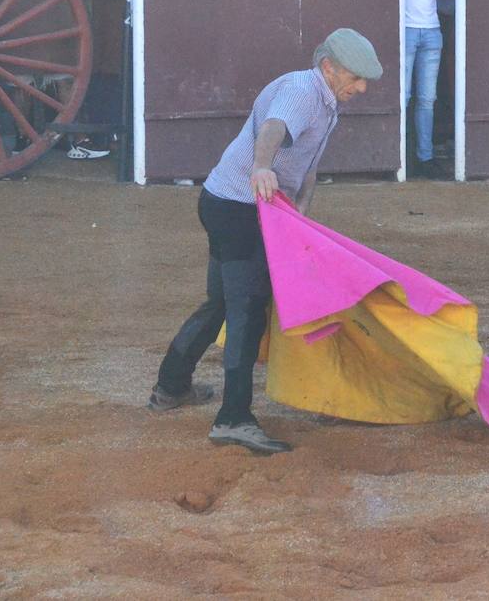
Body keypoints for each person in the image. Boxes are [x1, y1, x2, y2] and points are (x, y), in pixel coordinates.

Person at [149, 28, 383, 455]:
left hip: (230, 203)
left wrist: (299, 218)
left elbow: (308, 166)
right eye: (355, 77)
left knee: (221, 304)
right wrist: (261, 167)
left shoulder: (327, 100)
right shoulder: (303, 90)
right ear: (328, 67)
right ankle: (233, 419)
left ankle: (170, 387)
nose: (362, 87)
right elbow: (273, 130)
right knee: (246, 311)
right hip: (241, 208)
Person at [376, 0, 452, 177]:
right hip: (405, 27)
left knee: (426, 98)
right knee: (404, 95)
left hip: (431, 27)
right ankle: (400, 156)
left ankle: (423, 156)